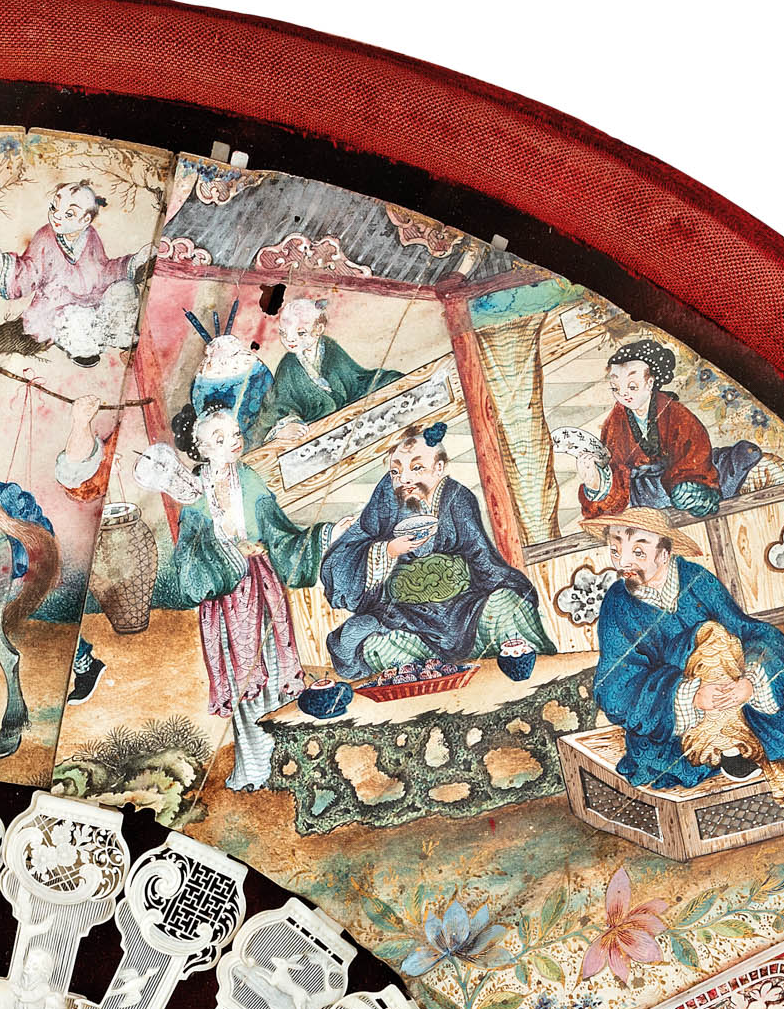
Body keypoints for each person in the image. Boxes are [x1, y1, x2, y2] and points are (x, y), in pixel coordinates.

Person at [585, 506, 784, 817]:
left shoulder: (696, 580)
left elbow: (747, 632)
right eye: (615, 550)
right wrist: (689, 696)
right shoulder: (618, 604)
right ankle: (725, 743)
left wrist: (750, 683)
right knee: (709, 636)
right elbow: (614, 686)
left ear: (665, 553)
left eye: (638, 552)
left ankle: (742, 748)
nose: (623, 562)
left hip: (732, 700)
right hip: (671, 726)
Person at [169, 408, 333, 790]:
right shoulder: (193, 493)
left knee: (273, 669)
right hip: (224, 601)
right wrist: (226, 550)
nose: (234, 442)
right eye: (220, 439)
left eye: (236, 434)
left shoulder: (250, 479)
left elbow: (281, 533)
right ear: (202, 448)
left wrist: (323, 534)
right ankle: (255, 769)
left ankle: (286, 766)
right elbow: (188, 557)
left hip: (263, 588)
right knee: (242, 680)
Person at [323, 422, 549, 683]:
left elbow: (481, 556)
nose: (404, 479)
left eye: (416, 468)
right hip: (406, 615)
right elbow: (353, 546)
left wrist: (508, 587)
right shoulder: (386, 499)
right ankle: (419, 680)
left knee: (506, 604)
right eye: (396, 471)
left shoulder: (458, 498)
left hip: (464, 608)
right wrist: (387, 551)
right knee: (367, 640)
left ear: (439, 467)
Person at [0, 180, 148, 360]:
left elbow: (102, 271)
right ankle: (84, 350)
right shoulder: (45, 236)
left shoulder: (90, 236)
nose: (57, 216)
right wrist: (3, 267)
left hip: (90, 301)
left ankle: (117, 335)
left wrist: (132, 263)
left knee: (125, 289)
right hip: (55, 308)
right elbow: (30, 271)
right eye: (54, 208)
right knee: (73, 318)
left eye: (69, 214)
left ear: (85, 220)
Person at [581, 338, 721, 520]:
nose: (623, 394)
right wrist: (595, 482)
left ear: (650, 383)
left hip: (678, 484)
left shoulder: (676, 413)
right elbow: (614, 467)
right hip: (640, 496)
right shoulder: (615, 422)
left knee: (688, 496)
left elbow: (696, 454)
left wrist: (685, 487)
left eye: (632, 386)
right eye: (615, 388)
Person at [247, 296, 402, 446]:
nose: (290, 340)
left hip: (342, 420)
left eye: (300, 333)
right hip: (312, 429)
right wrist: (285, 426)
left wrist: (385, 381)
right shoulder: (289, 364)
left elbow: (354, 380)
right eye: (283, 333)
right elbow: (280, 405)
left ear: (319, 329)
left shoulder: (329, 347)